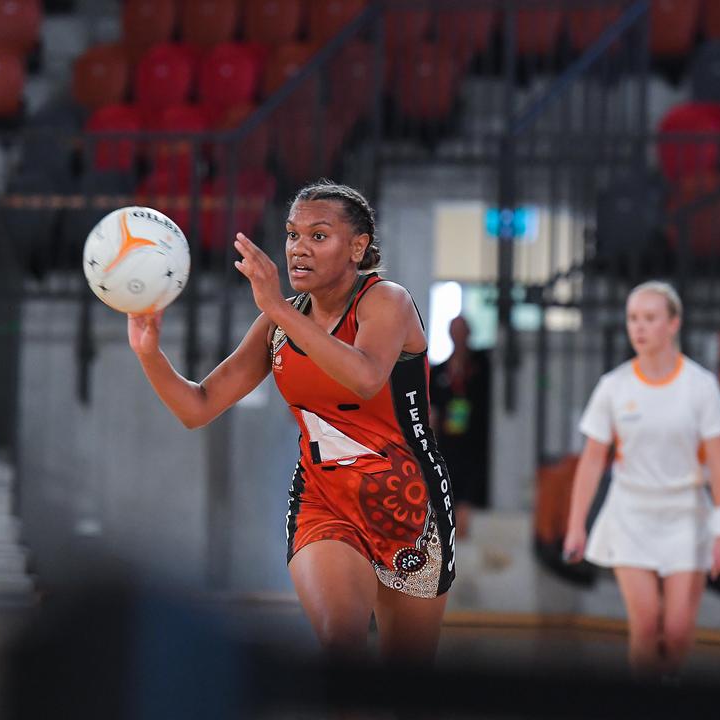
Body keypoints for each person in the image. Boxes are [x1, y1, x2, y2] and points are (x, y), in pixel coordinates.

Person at [129, 182, 455, 664]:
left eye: (318, 236)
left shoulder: (387, 301)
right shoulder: (278, 323)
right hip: (324, 504)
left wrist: (277, 307)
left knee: (407, 687)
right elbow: (197, 407)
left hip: (410, 506)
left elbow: (365, 376)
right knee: (340, 644)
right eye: (292, 235)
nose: (299, 248)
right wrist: (149, 353)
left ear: (358, 247)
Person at [562, 281, 720, 683]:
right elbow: (591, 461)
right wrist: (576, 525)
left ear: (673, 323)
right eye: (633, 319)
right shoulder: (613, 387)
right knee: (645, 624)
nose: (639, 327)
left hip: (686, 515)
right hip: (630, 514)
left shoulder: (701, 387)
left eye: (650, 318)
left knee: (675, 633)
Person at [429, 315, 491, 535]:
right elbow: (432, 412)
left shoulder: (483, 368)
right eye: (455, 331)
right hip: (447, 445)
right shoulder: (439, 373)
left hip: (475, 445)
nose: (459, 337)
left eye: (463, 331)